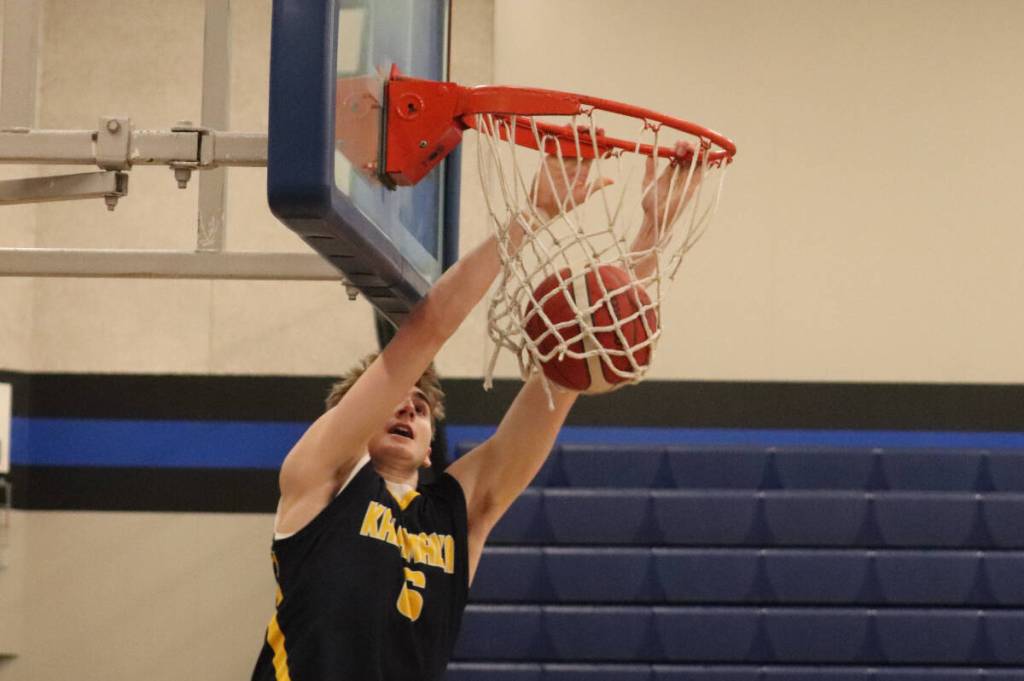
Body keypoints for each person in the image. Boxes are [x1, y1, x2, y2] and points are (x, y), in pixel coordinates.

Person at [251, 145, 698, 681]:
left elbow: (578, 360)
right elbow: (425, 331)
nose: (408, 407)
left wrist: (652, 234)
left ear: (428, 438)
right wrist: (532, 215)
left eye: (421, 407)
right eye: (396, 400)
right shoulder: (322, 480)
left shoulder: (456, 513)